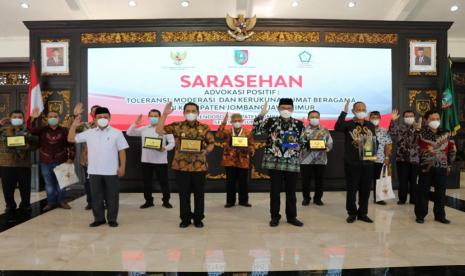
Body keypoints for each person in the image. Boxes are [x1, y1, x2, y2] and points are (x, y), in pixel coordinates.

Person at [156, 102, 215, 228]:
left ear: (198, 113)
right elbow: (159, 130)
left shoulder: (204, 127)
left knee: (199, 194)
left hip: (199, 167)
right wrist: (165, 114)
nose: (191, 113)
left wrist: (207, 150)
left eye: (193, 111)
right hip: (181, 166)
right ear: (184, 113)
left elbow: (211, 143)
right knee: (183, 194)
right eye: (188, 111)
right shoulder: (177, 126)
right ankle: (185, 218)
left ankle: (198, 218)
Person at [68, 107, 129, 227]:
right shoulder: (89, 133)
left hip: (112, 171)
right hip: (94, 171)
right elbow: (70, 139)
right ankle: (99, 219)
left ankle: (112, 219)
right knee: (96, 196)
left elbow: (122, 151)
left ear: (110, 118)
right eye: (100, 117)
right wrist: (74, 125)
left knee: (112, 196)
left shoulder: (117, 133)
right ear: (95, 119)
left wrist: (122, 167)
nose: (102, 119)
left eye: (105, 117)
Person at [253, 98, 304, 227]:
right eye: (283, 108)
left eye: (288, 108)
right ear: (278, 108)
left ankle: (292, 217)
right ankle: (275, 216)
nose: (285, 110)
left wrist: (296, 146)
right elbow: (256, 132)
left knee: (291, 191)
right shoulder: (271, 122)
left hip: (291, 162)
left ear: (292, 109)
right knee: (274, 191)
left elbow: (303, 141)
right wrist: (261, 115)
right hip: (274, 162)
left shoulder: (299, 124)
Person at [335, 101, 376, 223]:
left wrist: (370, 148)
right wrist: (344, 113)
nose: (361, 111)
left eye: (363, 109)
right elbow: (337, 127)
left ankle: (363, 213)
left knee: (366, 189)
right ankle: (352, 213)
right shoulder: (348, 124)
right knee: (352, 189)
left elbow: (374, 141)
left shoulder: (370, 125)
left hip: (368, 162)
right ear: (353, 111)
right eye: (358, 109)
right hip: (352, 162)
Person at [28, 108, 75, 211]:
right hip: (46, 161)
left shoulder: (64, 130)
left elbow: (71, 144)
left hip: (61, 161)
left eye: (55, 116)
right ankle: (51, 202)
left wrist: (71, 158)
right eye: (50, 116)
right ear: (47, 119)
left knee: (62, 183)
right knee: (49, 184)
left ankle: (62, 201)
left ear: (59, 119)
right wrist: (33, 119)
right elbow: (30, 130)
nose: (53, 118)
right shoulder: (42, 129)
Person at [127, 109, 175, 209]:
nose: (153, 118)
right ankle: (148, 201)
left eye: (156, 116)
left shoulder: (166, 129)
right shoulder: (144, 128)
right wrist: (136, 123)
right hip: (146, 160)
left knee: (163, 182)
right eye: (151, 116)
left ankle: (166, 201)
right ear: (149, 117)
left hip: (161, 161)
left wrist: (165, 148)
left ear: (160, 117)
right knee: (147, 182)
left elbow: (172, 143)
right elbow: (129, 133)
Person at [414, 110, 456, 224]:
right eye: (432, 119)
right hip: (425, 167)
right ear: (427, 120)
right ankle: (420, 215)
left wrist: (449, 164)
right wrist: (417, 130)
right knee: (423, 192)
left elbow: (452, 149)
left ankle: (440, 215)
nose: (435, 121)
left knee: (440, 192)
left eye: (437, 119)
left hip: (442, 167)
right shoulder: (421, 132)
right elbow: (414, 147)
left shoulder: (446, 133)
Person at [0, 111, 38, 213]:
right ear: (10, 118)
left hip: (23, 163)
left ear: (23, 119)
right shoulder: (2, 130)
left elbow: (36, 144)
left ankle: (25, 205)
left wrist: (28, 147)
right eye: (15, 117)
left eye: (19, 117)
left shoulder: (28, 131)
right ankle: (10, 205)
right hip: (7, 164)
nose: (17, 118)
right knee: (7, 188)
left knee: (25, 187)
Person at [216, 112, 255, 208]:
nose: (237, 122)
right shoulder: (228, 132)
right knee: (230, 182)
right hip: (229, 160)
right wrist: (223, 123)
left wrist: (251, 150)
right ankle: (230, 201)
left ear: (242, 121)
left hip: (243, 160)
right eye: (234, 121)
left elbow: (252, 144)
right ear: (231, 122)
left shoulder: (247, 132)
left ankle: (243, 201)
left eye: (238, 120)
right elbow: (218, 135)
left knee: (243, 182)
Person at [300, 110, 333, 206]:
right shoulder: (303, 130)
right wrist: (306, 144)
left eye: (316, 117)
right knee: (305, 181)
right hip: (305, 159)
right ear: (308, 118)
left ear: (319, 118)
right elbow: (299, 143)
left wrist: (324, 148)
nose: (314, 118)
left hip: (321, 159)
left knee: (320, 180)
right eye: (312, 116)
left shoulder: (324, 130)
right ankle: (306, 198)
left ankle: (318, 198)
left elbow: (330, 143)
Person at [389, 109, 421, 204]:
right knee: (403, 180)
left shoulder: (418, 128)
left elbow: (421, 140)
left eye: (411, 116)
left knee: (413, 181)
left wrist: (418, 129)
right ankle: (402, 199)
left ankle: (414, 199)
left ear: (414, 117)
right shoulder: (399, 128)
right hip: (401, 158)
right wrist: (393, 120)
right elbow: (392, 132)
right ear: (403, 118)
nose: (409, 118)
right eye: (407, 116)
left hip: (415, 159)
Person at [73, 103, 100, 210]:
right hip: (88, 159)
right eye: (94, 111)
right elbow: (72, 129)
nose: (96, 112)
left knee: (103, 182)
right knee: (89, 182)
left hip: (103, 160)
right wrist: (76, 116)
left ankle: (103, 201)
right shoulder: (85, 126)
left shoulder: (107, 126)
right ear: (91, 114)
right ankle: (90, 202)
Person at [369, 111, 392, 205]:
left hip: (380, 159)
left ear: (380, 118)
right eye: (373, 117)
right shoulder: (366, 130)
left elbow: (388, 145)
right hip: (367, 160)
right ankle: (363, 198)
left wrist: (386, 157)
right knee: (365, 179)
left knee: (378, 180)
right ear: (369, 119)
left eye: (376, 117)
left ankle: (378, 198)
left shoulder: (384, 131)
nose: (375, 119)